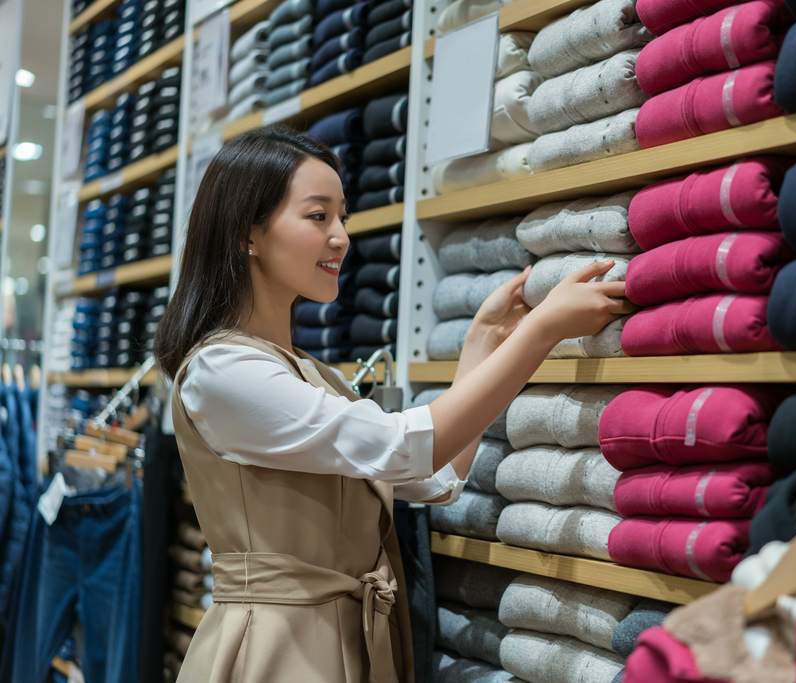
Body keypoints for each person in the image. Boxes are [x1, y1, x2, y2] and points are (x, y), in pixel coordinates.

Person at [152, 127, 635, 683]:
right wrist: (542, 331)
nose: (341, 238)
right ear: (248, 234)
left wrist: (482, 342)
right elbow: (403, 449)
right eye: (318, 216)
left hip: (345, 639)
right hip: (276, 650)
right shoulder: (223, 371)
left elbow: (435, 478)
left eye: (343, 218)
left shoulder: (309, 372)